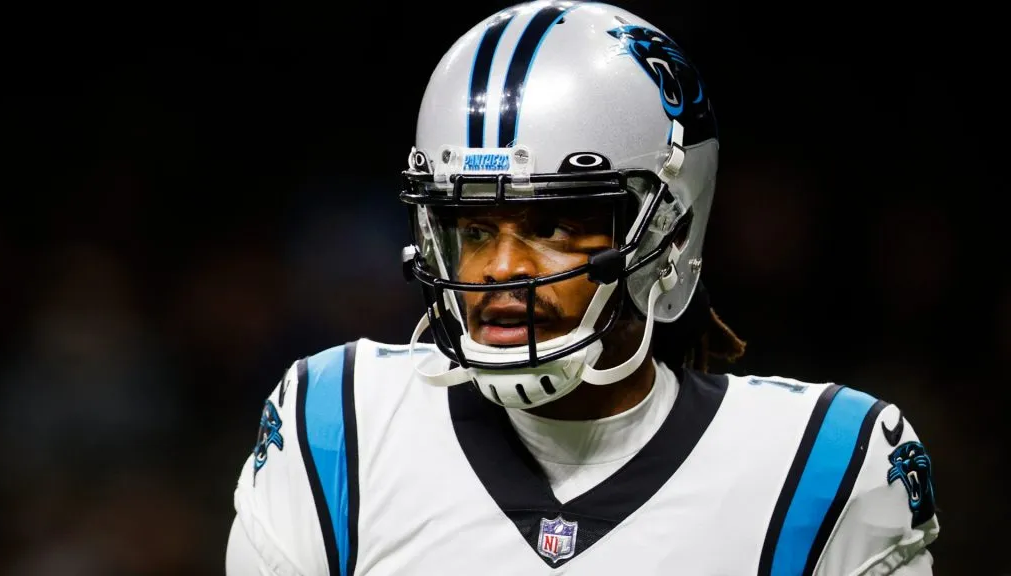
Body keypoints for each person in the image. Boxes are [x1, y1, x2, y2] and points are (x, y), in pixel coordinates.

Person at [225, 1, 940, 574]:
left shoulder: (825, 465)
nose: (500, 269)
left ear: (667, 232)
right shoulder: (335, 426)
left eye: (555, 226)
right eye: (474, 229)